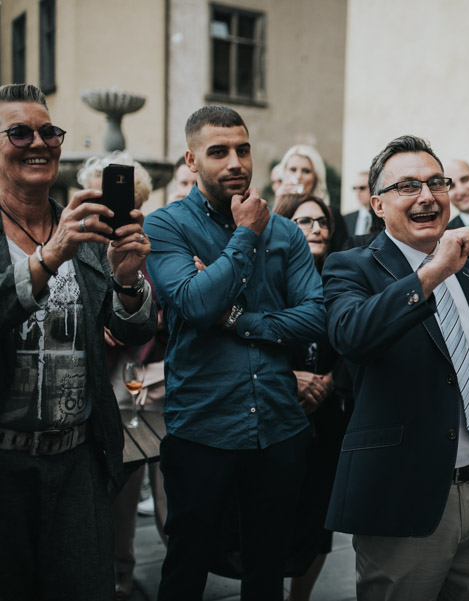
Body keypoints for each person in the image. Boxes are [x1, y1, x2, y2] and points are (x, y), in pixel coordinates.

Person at [322, 135, 469, 601]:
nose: (427, 196)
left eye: (436, 183)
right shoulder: (351, 266)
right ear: (377, 204)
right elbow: (351, 336)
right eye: (408, 186)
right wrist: (432, 273)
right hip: (403, 492)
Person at [143, 105, 326, 601]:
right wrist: (245, 235)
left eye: (242, 149)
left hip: (278, 425)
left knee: (267, 566)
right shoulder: (165, 227)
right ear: (191, 160)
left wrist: (239, 320)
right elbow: (195, 305)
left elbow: (315, 317)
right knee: (187, 561)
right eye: (218, 152)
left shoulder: (286, 232)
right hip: (204, 423)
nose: (235, 162)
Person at [0, 83, 156, 600]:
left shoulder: (83, 225)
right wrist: (49, 257)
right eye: (20, 132)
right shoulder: (69, 235)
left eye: (49, 131)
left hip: (77, 464)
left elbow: (131, 330)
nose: (38, 142)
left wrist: (129, 283)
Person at [76, 152, 162, 600]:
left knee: (132, 488)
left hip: (143, 380)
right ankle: (113, 573)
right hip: (97, 382)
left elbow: (156, 307)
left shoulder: (148, 241)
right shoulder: (74, 240)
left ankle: (124, 572)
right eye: (97, 192)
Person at [270, 194, 352, 601]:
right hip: (276, 414)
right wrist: (290, 378)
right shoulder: (269, 279)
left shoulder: (341, 279)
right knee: (271, 516)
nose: (316, 228)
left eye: (321, 221)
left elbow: (355, 342)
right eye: (304, 221)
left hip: (327, 420)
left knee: (321, 518)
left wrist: (330, 380)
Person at [277, 144, 348, 252]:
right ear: (284, 173)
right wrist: (279, 204)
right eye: (293, 170)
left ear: (316, 177)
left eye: (306, 171)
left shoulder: (331, 214)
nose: (298, 176)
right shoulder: (274, 211)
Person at [343, 171, 372, 235]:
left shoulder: (384, 219)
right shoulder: (346, 219)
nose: (357, 192)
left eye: (362, 188)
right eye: (355, 188)